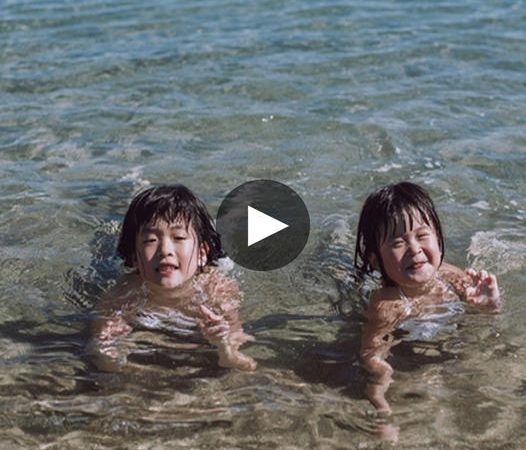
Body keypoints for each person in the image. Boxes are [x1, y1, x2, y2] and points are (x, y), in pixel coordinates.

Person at [355, 181, 501, 413]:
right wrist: (380, 399)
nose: (414, 249)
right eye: (398, 242)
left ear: (439, 241)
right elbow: (372, 355)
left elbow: (488, 324)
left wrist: (489, 304)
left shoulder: (453, 277)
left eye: (422, 235)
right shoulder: (387, 305)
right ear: (375, 260)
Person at [89, 184, 257, 372]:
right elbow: (102, 361)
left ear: (202, 254)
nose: (165, 250)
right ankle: (133, 186)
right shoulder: (122, 294)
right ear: (135, 258)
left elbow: (244, 362)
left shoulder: (217, 290)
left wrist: (223, 344)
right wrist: (108, 345)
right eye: (150, 240)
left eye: (178, 238)